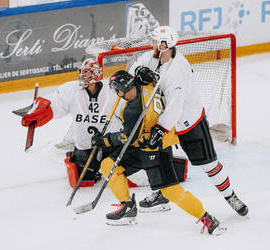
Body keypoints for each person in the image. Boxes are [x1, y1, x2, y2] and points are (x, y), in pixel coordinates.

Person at [128, 26, 248, 216]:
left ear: (164, 44)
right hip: (163, 119)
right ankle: (160, 193)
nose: (152, 43)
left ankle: (230, 195)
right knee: (157, 156)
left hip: (188, 122)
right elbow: (135, 69)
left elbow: (175, 106)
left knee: (209, 165)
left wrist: (160, 130)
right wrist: (138, 72)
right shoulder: (154, 57)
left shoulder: (178, 69)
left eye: (155, 40)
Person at [91, 70, 226, 235]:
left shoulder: (133, 110)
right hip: (152, 142)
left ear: (123, 88)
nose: (118, 95)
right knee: (109, 164)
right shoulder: (146, 84)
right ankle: (127, 206)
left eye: (118, 90)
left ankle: (207, 218)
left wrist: (105, 140)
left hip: (155, 150)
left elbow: (128, 137)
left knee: (172, 191)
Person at [20, 58, 123, 188]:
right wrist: (43, 113)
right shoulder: (72, 90)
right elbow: (57, 106)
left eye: (86, 72)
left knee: (120, 174)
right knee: (82, 181)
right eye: (81, 72)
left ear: (96, 73)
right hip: (84, 147)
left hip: (110, 145)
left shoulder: (111, 91)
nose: (82, 75)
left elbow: (126, 113)